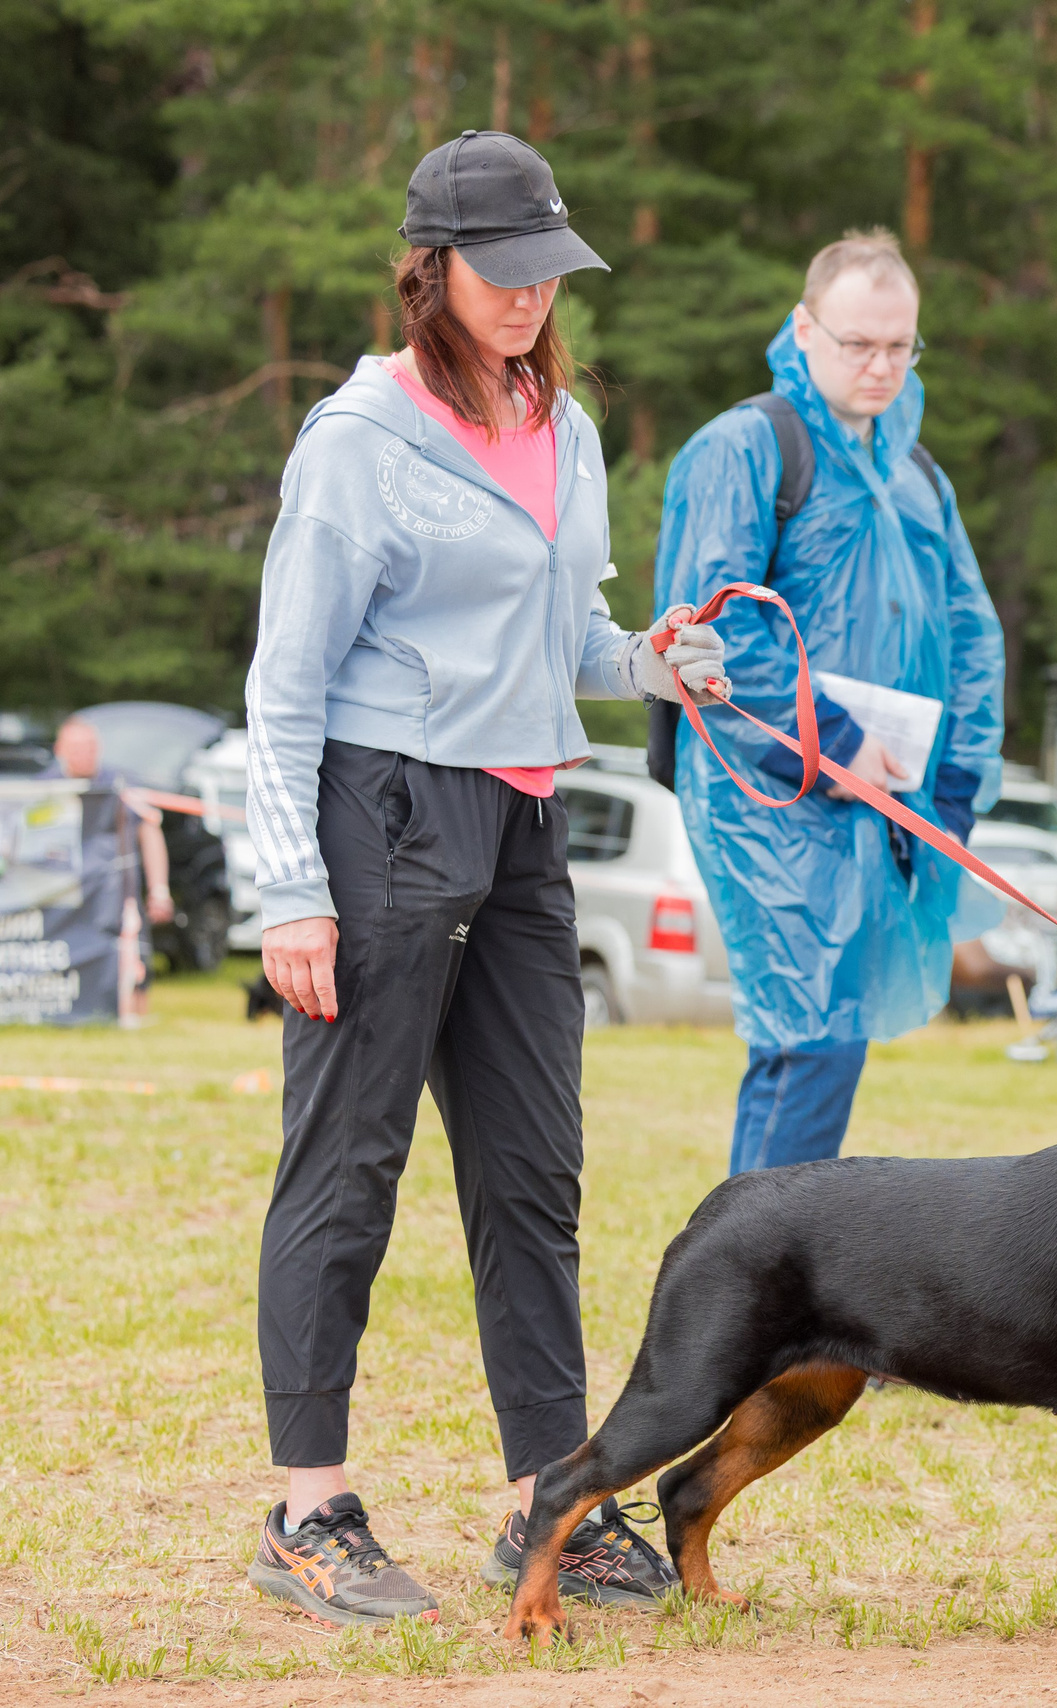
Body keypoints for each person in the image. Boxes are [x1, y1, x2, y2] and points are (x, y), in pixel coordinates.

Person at [242, 131, 726, 1627]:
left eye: (546, 272)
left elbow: (559, 628)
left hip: (525, 827)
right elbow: (285, 683)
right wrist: (288, 889)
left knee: (534, 1177)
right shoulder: (357, 441)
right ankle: (305, 1510)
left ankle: (548, 1502)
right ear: (429, 271)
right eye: (499, 273)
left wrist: (649, 660)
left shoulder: (559, 419)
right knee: (350, 1168)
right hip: (381, 818)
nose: (528, 298)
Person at [656, 230, 1005, 1174]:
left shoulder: (916, 477)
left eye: (902, 346)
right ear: (804, 328)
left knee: (830, 1041)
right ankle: (743, 1298)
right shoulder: (745, 449)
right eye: (859, 344)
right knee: (804, 1040)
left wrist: (961, 780)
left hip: (884, 796)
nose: (882, 366)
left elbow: (972, 633)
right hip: (771, 791)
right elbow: (712, 633)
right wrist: (832, 742)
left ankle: (773, 1291)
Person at [44, 718, 175, 934]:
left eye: (90, 747)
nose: (85, 754)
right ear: (59, 750)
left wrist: (159, 891)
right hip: (59, 905)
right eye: (76, 748)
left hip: (113, 904)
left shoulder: (120, 785)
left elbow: (149, 827)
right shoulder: (42, 788)